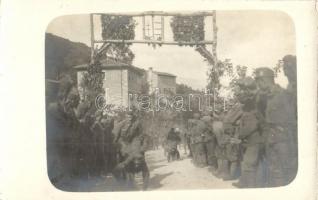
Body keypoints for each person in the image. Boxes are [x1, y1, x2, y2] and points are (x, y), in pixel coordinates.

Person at [254, 67, 297, 187]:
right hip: (270, 137)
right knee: (274, 169)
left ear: (265, 80)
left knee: (287, 168)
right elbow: (260, 115)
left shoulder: (284, 94)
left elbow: (292, 118)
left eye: (259, 81)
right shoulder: (263, 97)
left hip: (283, 139)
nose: (257, 84)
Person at [232, 77, 264, 188]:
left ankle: (250, 188)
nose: (241, 94)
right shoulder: (247, 108)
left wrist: (240, 135)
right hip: (248, 140)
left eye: (244, 90)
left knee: (249, 164)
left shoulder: (254, 107)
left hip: (254, 140)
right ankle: (244, 182)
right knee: (245, 162)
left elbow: (252, 126)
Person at [112, 110, 150, 190]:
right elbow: (116, 137)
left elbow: (143, 135)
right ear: (125, 117)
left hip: (134, 144)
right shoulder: (121, 124)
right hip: (123, 143)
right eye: (128, 117)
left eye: (131, 117)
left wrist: (142, 146)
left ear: (133, 117)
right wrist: (117, 145)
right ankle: (124, 180)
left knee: (140, 159)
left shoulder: (137, 123)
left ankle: (143, 184)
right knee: (123, 161)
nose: (130, 118)